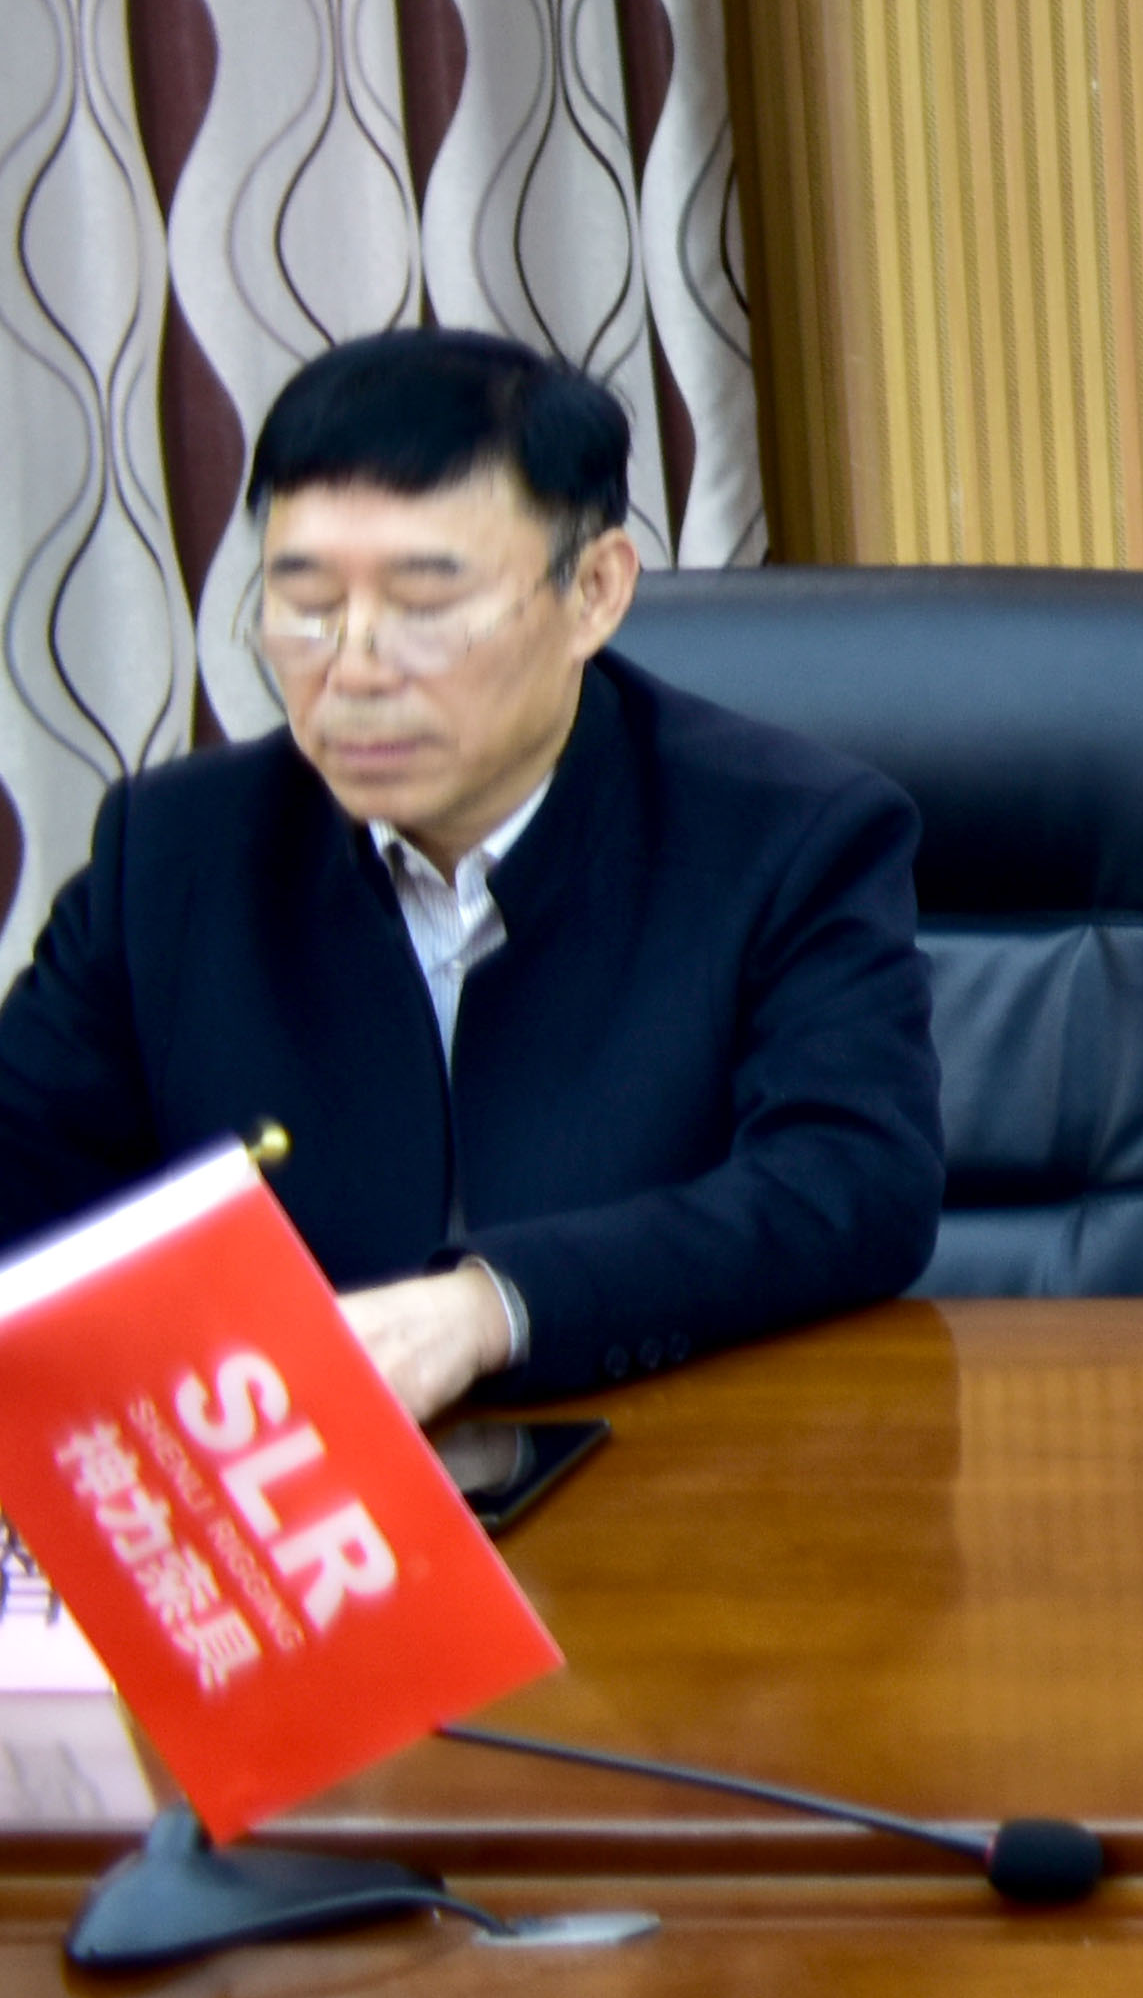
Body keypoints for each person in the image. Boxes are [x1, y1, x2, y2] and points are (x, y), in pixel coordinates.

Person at [0, 329, 940, 1412]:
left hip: (672, 1463)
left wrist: (492, 1308)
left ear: (594, 591)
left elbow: (851, 1184)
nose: (355, 667)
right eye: (307, 605)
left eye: (425, 605)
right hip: (289, 1479)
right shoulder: (176, 853)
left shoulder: (788, 836)